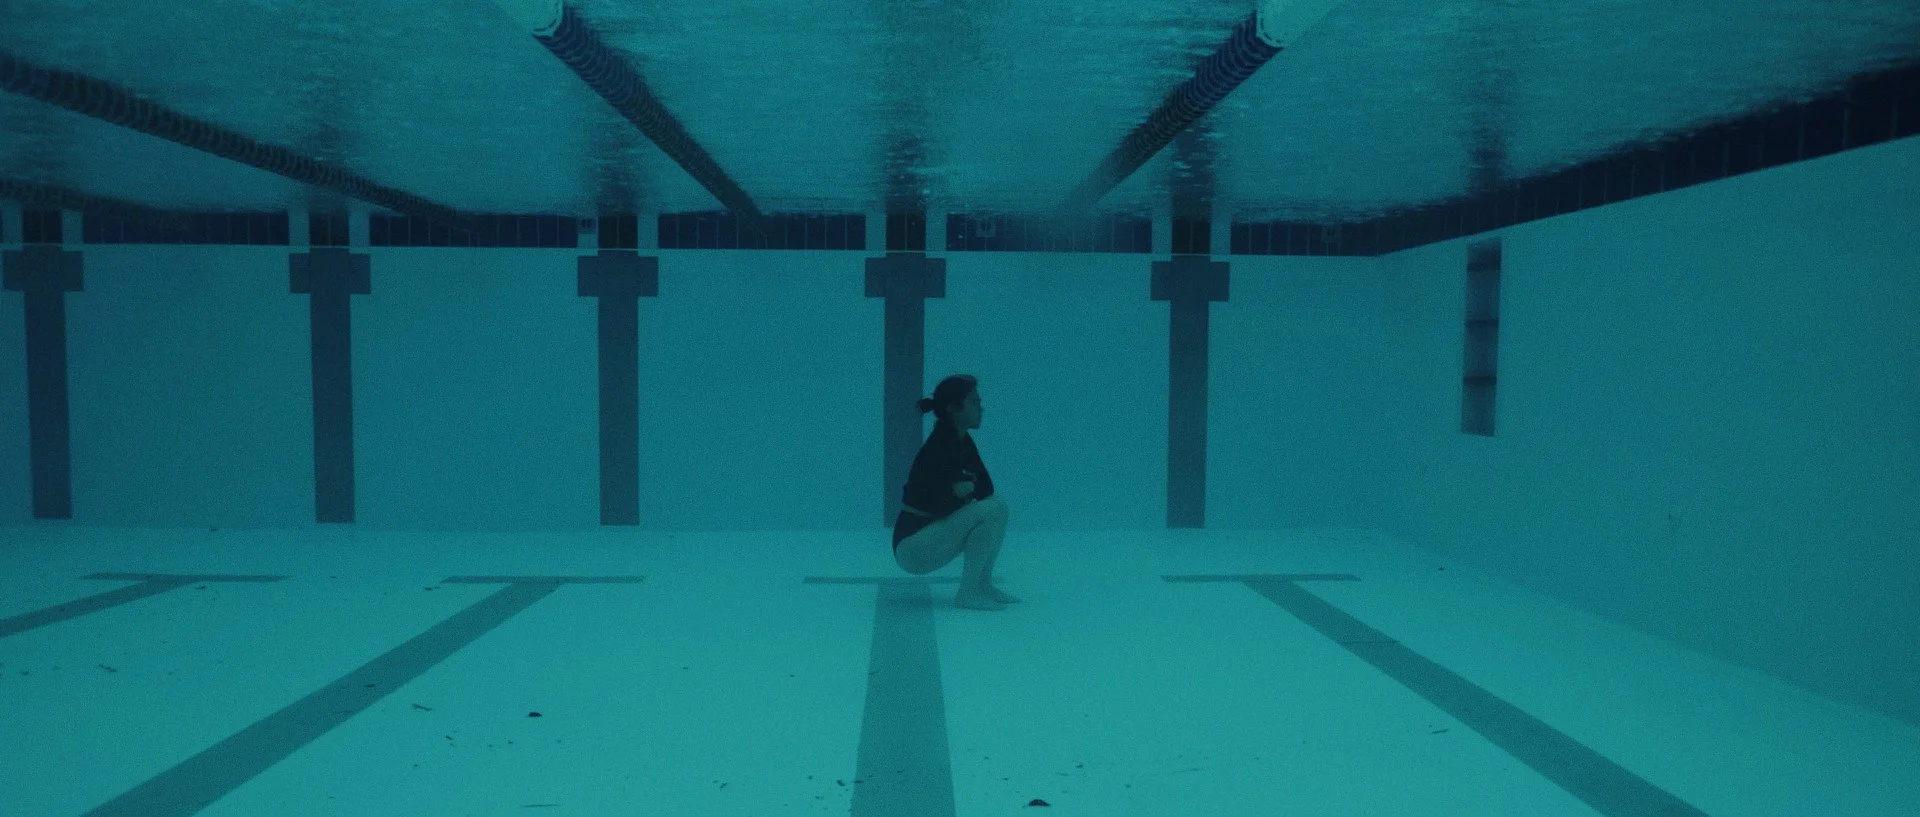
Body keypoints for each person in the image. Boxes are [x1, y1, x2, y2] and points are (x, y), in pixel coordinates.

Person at [892, 374, 1021, 610]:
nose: (981, 408)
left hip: (931, 538)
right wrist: (961, 490)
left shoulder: (962, 441)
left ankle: (980, 585)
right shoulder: (939, 446)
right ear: (954, 409)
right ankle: (969, 592)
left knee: (994, 510)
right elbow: (930, 501)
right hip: (912, 547)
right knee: (992, 509)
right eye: (974, 402)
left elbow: (985, 487)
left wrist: (965, 488)